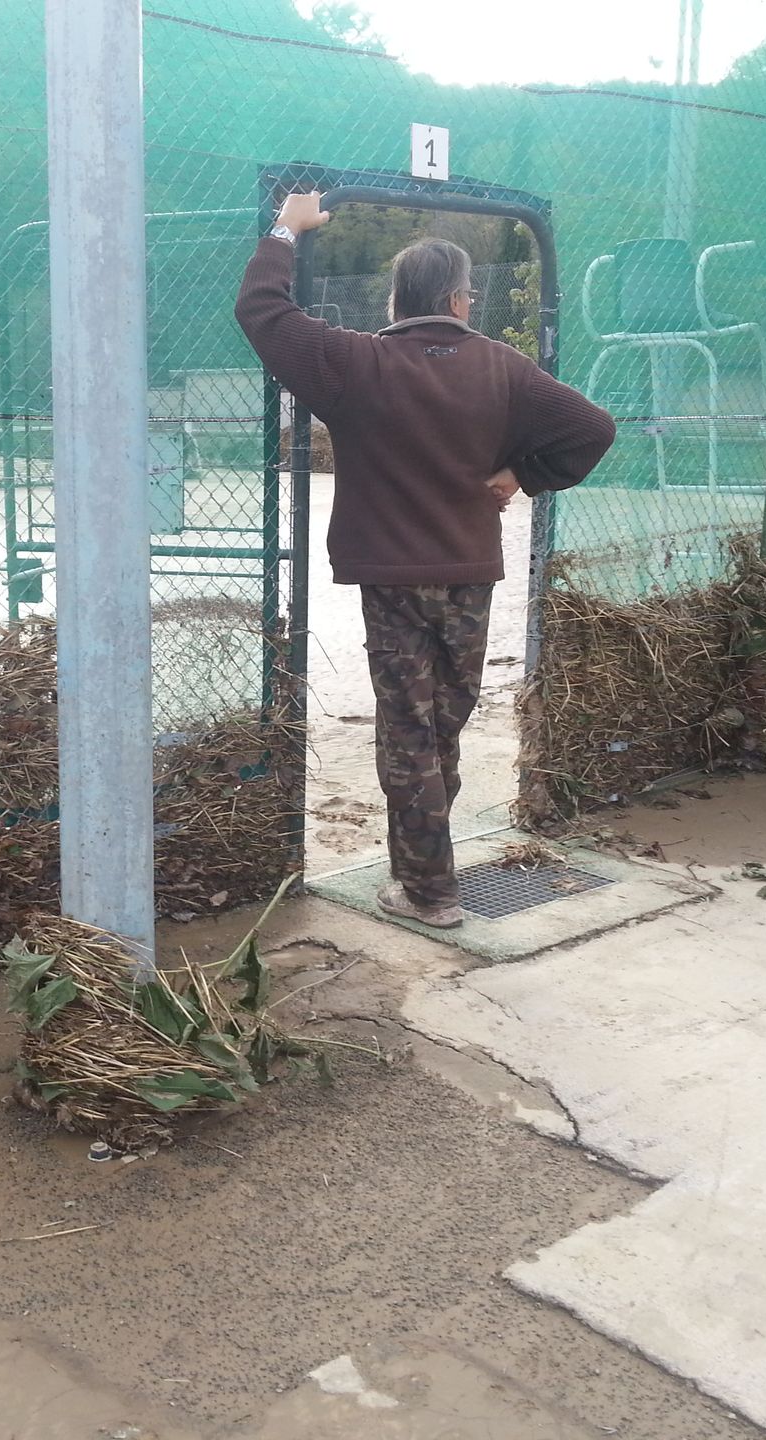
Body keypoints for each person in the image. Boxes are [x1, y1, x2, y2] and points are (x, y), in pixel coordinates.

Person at [235, 191, 615, 929]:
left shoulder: (355, 362)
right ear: (457, 299)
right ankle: (430, 874)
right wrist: (523, 476)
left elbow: (264, 313)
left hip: (391, 578)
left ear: (396, 300)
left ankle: (428, 891)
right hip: (469, 573)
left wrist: (287, 227)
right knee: (442, 725)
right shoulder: (503, 369)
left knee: (408, 730)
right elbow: (591, 429)